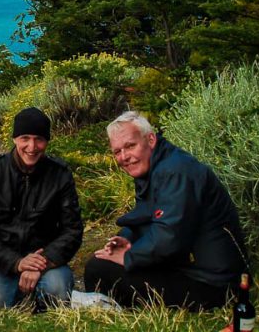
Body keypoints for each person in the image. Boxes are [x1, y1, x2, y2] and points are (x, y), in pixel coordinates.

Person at [84, 111, 249, 310]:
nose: (124, 157)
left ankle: (111, 312)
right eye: (117, 151)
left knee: (100, 269)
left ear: (150, 139)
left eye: (130, 146)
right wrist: (127, 239)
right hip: (192, 269)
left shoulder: (175, 171)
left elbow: (170, 236)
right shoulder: (154, 167)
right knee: (103, 261)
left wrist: (130, 256)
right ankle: (119, 309)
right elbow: (146, 217)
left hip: (214, 285)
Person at [0, 107, 83, 309]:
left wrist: (43, 261)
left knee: (57, 292)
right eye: (25, 138)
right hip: (4, 264)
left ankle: (34, 298)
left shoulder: (60, 174)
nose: (32, 146)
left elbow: (73, 229)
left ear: (47, 141)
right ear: (15, 139)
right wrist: (16, 262)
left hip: (47, 263)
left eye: (39, 139)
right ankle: (22, 296)